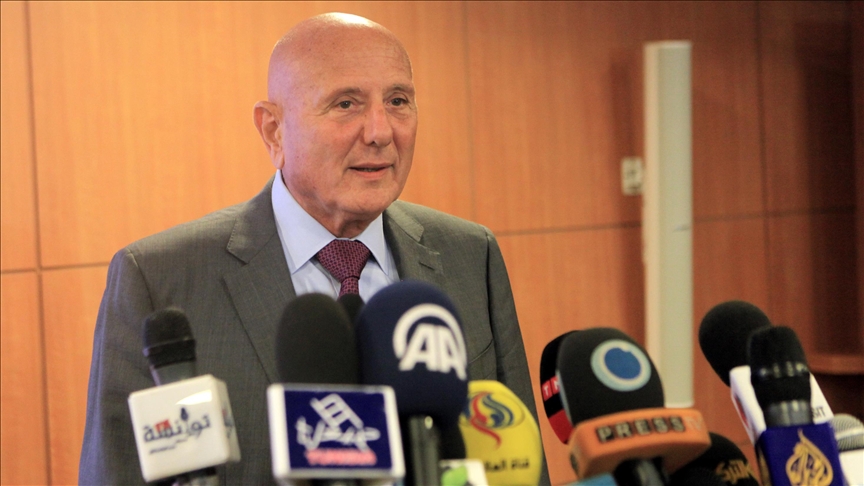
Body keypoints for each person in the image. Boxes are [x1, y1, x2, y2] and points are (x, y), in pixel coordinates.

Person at [79, 12, 547, 485]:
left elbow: (522, 465)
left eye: (398, 101)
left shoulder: (471, 255)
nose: (381, 131)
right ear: (273, 131)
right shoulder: (159, 279)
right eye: (346, 104)